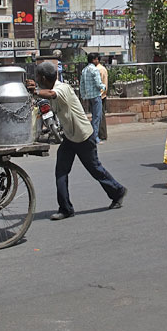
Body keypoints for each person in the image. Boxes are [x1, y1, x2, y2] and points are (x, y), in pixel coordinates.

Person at [28, 61, 126, 220]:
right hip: (69, 136)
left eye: (38, 77)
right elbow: (46, 94)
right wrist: (34, 91)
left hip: (83, 137)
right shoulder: (51, 88)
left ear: (44, 78)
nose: (37, 79)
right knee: (61, 171)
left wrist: (36, 91)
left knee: (95, 169)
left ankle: (118, 191)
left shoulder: (62, 88)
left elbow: (51, 95)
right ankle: (65, 208)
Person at [80, 53, 106, 144]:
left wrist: (83, 95)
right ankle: (94, 138)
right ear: (94, 60)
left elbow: (82, 84)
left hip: (89, 96)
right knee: (97, 117)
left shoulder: (84, 70)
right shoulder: (94, 70)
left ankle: (92, 136)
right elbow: (98, 84)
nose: (98, 61)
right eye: (97, 59)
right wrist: (104, 87)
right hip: (96, 95)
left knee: (94, 116)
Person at [96, 56, 109, 142]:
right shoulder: (99, 69)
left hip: (100, 95)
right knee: (100, 115)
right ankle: (101, 134)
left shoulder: (99, 69)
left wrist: (100, 94)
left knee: (100, 115)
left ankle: (102, 134)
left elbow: (103, 83)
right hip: (101, 94)